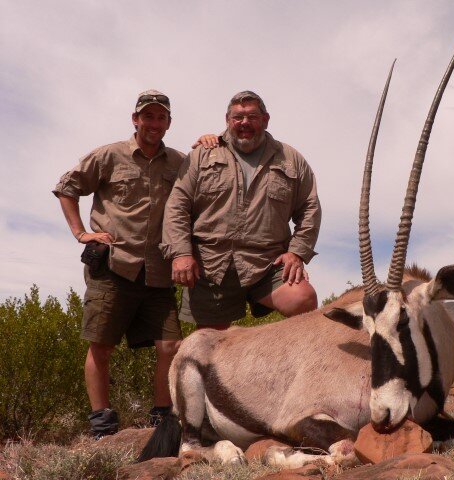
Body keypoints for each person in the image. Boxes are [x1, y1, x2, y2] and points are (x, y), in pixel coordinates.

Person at [53, 90, 187, 439]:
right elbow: (67, 187)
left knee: (170, 346)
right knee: (101, 345)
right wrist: (81, 233)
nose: (154, 123)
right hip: (113, 266)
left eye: (161, 117)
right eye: (148, 116)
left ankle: (161, 419)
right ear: (135, 119)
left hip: (159, 271)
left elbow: (201, 190)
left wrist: (214, 141)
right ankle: (102, 425)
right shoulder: (109, 155)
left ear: (168, 123)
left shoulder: (179, 162)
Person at [161, 91, 321, 329]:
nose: (244, 122)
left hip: (267, 263)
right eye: (238, 117)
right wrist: (181, 253)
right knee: (211, 346)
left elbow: (310, 208)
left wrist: (297, 253)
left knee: (303, 299)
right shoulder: (203, 154)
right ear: (227, 120)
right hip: (211, 265)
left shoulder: (291, 159)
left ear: (265, 119)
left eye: (252, 116)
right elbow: (177, 205)